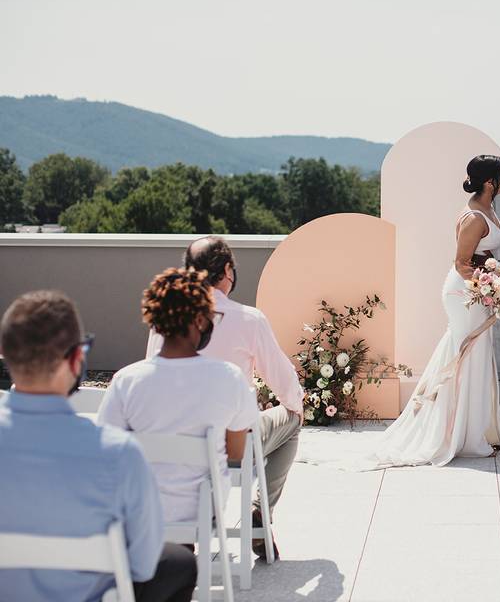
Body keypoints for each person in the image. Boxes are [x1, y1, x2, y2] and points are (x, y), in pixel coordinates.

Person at [0, 290, 196, 602]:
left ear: (6, 354)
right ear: (77, 358)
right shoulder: (119, 453)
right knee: (180, 563)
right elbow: (143, 564)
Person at [146, 236, 302, 559]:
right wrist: (296, 403)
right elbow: (284, 383)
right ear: (227, 270)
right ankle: (260, 512)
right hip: (232, 444)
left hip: (174, 443)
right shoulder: (248, 319)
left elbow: (153, 375)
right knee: (293, 417)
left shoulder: (167, 321)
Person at [367, 154, 500, 467]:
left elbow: (483, 257)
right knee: (464, 354)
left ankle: (475, 429)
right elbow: (462, 264)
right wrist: (495, 287)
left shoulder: (488, 208)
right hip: (465, 292)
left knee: (475, 354)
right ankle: (454, 433)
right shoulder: (474, 217)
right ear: (490, 182)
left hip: (478, 290)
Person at [101, 268, 259, 530]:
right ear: (199, 320)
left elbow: (108, 451)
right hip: (202, 509)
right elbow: (236, 452)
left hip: (139, 509)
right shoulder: (228, 378)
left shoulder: (126, 381)